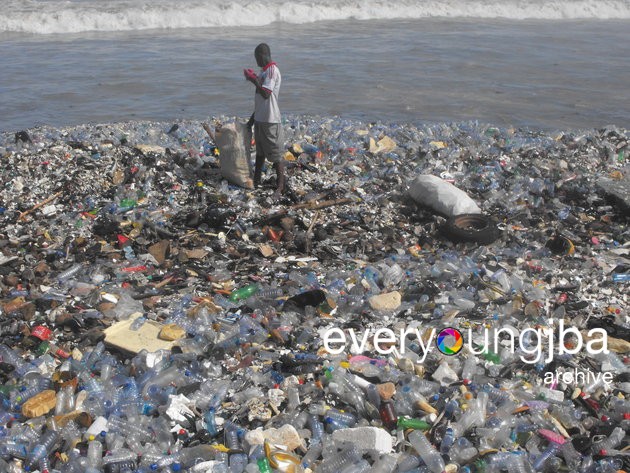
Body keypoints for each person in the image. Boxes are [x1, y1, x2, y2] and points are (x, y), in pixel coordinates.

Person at [244, 43, 286, 196]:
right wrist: (251, 121)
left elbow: (266, 94)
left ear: (263, 55)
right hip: (261, 118)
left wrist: (252, 79)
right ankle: (256, 180)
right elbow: (260, 102)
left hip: (270, 119)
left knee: (276, 154)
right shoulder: (263, 72)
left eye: (257, 58)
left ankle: (281, 186)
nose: (256, 62)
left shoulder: (272, 71)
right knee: (260, 151)